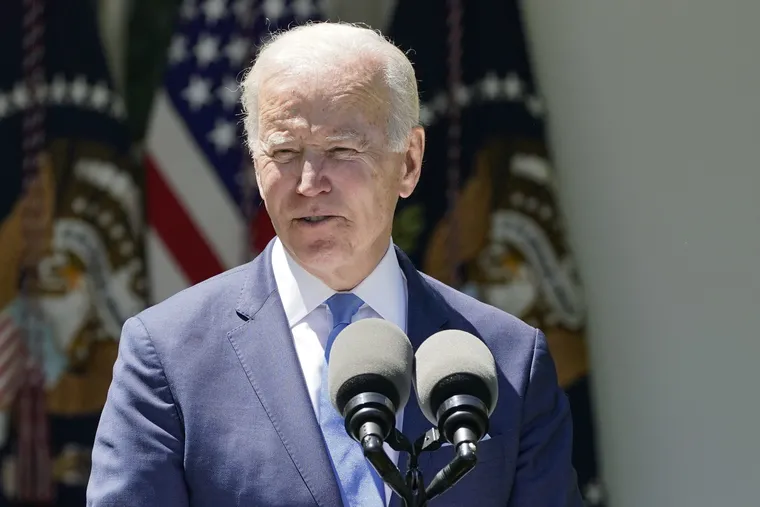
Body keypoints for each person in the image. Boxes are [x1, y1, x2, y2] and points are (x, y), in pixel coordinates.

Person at [86, 22, 583, 507]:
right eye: (283, 151)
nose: (308, 182)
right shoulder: (167, 355)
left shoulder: (509, 359)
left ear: (408, 162)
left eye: (341, 150)